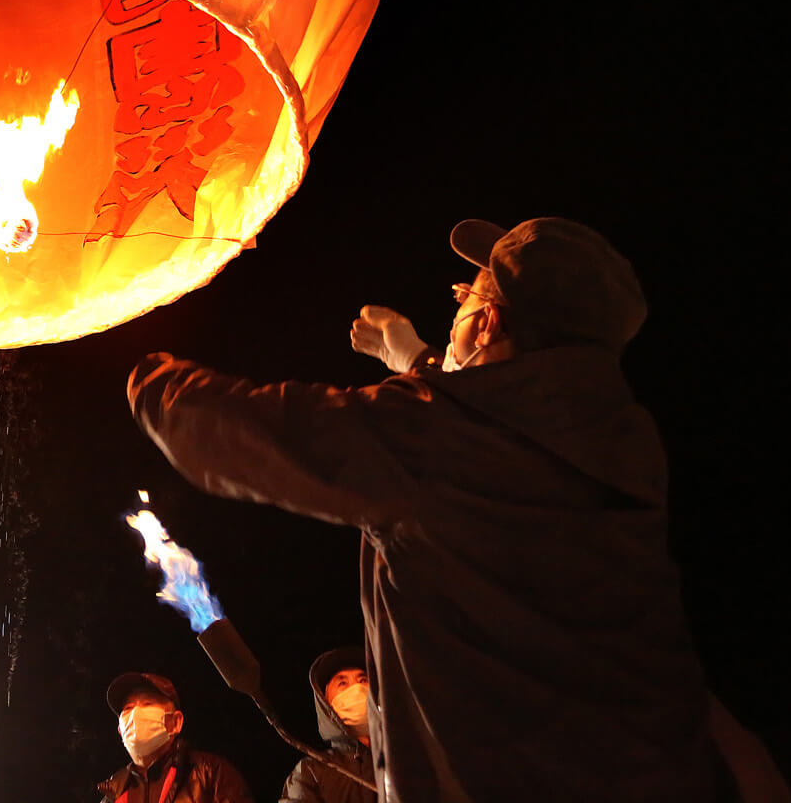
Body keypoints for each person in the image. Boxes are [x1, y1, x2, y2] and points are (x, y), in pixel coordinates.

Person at [127, 218, 736, 803]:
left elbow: (217, 429)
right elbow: (501, 425)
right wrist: (420, 362)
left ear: (489, 323)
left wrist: (146, 360)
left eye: (466, 298)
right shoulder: (626, 450)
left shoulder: (437, 436)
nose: (458, 306)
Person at [97, 672, 252, 803]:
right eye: (128, 708)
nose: (136, 714)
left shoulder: (210, 773)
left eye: (147, 704)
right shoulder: (113, 794)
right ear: (120, 731)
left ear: (176, 722)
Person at [279, 648, 377, 803]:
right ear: (326, 701)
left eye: (363, 680)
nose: (356, 689)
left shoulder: (403, 759)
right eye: (343, 683)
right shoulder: (311, 772)